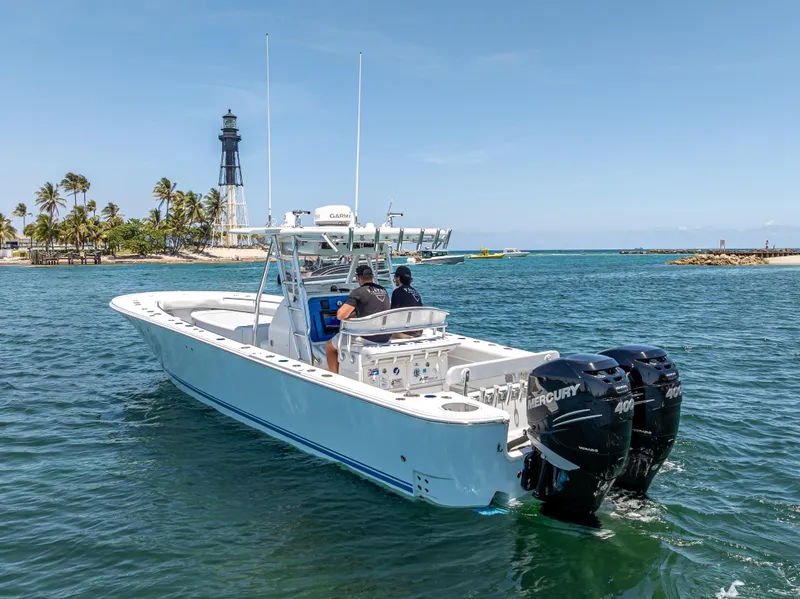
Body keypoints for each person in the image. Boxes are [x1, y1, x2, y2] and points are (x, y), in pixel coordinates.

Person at [325, 265, 390, 374]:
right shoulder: (383, 291)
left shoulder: (358, 292)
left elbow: (341, 315)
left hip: (367, 338)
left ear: (358, 278)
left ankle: (335, 377)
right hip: (384, 336)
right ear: (372, 277)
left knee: (329, 346)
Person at [391, 265, 423, 338]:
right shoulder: (416, 292)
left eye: (395, 277)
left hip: (406, 332)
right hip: (418, 331)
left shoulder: (397, 292)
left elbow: (392, 315)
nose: (395, 279)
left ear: (398, 278)